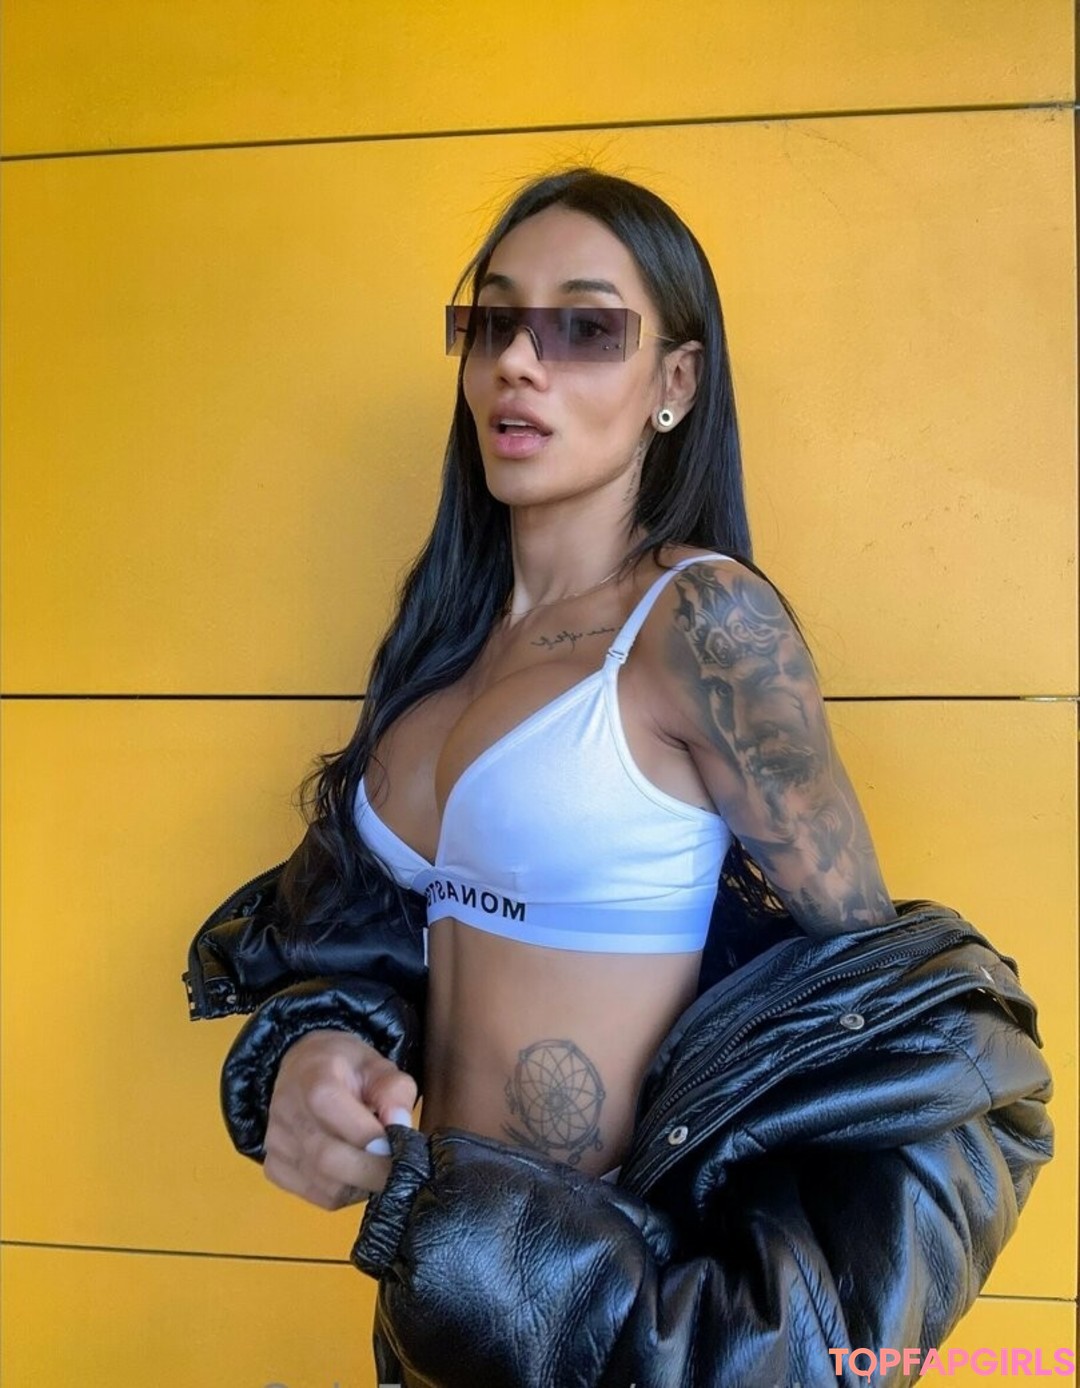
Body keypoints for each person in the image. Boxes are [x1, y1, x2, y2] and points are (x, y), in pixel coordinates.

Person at [186, 169, 1053, 1387]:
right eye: (494, 320)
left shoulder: (699, 625)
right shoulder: (443, 649)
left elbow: (880, 1021)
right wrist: (317, 1047)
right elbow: (369, 940)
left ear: (675, 383)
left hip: (607, 1334)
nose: (518, 362)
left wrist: (738, 1335)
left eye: (586, 328)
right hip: (430, 1310)